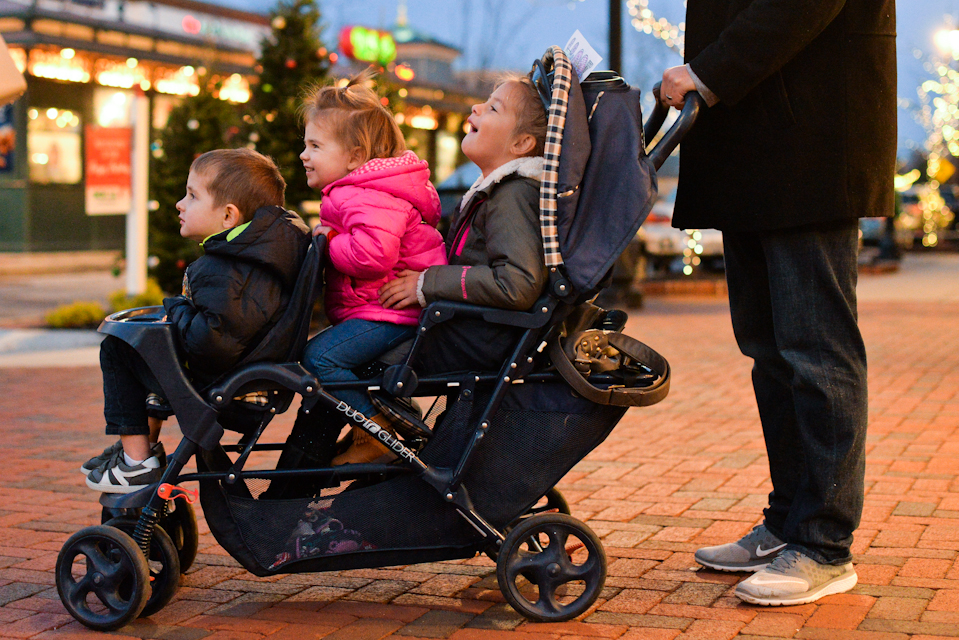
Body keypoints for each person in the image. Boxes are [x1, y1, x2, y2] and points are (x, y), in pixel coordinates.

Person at [659, 0, 896, 606]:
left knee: (816, 352)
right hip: (753, 142)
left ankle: (823, 544)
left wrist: (707, 71)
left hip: (811, 140)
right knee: (770, 353)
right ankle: (789, 521)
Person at [82, 148, 311, 493]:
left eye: (192, 196)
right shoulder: (254, 258)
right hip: (245, 384)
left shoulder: (225, 269)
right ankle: (141, 449)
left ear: (228, 216)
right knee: (148, 346)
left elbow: (210, 344)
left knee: (120, 349)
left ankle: (137, 461)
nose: (180, 204)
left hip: (228, 390)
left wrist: (177, 308)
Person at [298, 70, 447, 465]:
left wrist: (328, 241)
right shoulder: (364, 191)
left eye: (315, 146)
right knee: (326, 355)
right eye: (305, 144)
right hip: (384, 309)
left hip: (391, 313)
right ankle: (392, 419)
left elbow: (372, 255)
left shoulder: (365, 194)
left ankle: (374, 432)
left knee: (320, 358)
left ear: (354, 156)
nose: (304, 155)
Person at [378, 74, 548, 374]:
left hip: (477, 338)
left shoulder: (513, 195)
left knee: (352, 365)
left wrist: (427, 283)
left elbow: (516, 283)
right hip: (470, 329)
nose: (476, 108)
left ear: (522, 143)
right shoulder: (495, 192)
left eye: (493, 108)